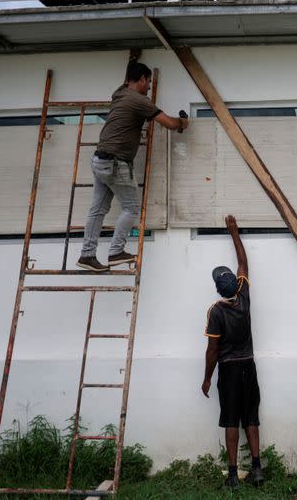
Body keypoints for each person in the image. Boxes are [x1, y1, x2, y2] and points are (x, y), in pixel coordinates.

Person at [76, 61, 189, 272]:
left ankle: (87, 255)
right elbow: (170, 124)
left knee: (98, 210)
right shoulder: (139, 100)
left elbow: (128, 80)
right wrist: (183, 122)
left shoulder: (119, 94)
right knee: (131, 207)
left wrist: (133, 62)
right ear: (142, 79)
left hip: (99, 160)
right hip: (116, 163)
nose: (149, 87)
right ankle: (116, 251)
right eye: (148, 82)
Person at [201, 215, 264, 488]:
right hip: (248, 366)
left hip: (228, 370)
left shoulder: (216, 311)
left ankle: (232, 475)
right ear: (234, 284)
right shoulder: (244, 296)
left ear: (217, 288)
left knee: (230, 420)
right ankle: (258, 469)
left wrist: (206, 378)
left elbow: (212, 351)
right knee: (251, 418)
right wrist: (234, 232)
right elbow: (243, 262)